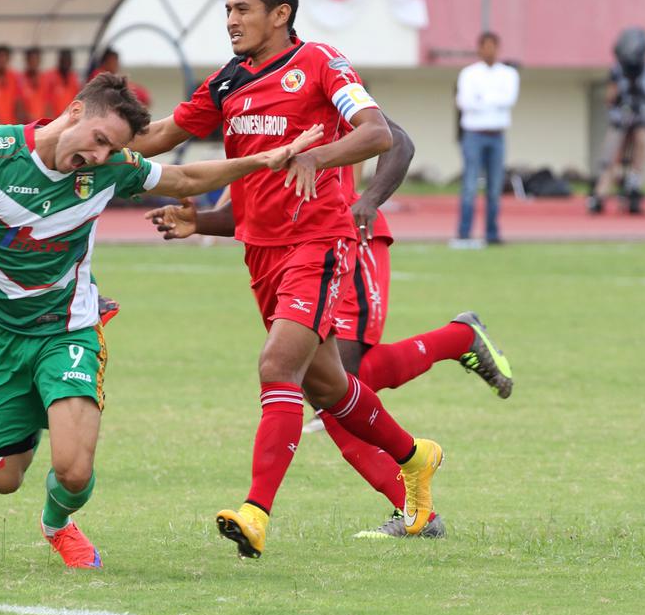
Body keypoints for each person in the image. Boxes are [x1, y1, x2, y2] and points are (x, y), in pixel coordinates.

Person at [0, 72, 319, 569]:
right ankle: (30, 411)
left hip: (68, 327)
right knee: (3, 479)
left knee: (73, 472)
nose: (98, 156)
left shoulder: (112, 167)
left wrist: (261, 161)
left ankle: (57, 524)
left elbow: (184, 180)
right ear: (74, 111)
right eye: (98, 140)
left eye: (110, 148)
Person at [127, 0, 451, 556]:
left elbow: (378, 134)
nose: (231, 20)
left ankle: (256, 512)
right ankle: (414, 457)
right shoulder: (226, 85)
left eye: (243, 9)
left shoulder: (323, 62)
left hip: (321, 245)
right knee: (328, 386)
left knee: (279, 366)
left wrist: (319, 157)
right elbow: (160, 135)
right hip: (262, 256)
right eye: (227, 9)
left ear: (280, 14)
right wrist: (75, 140)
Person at [144, 115, 513, 540]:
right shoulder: (251, 113)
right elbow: (250, 211)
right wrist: (199, 222)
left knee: (334, 381)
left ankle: (457, 343)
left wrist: (368, 201)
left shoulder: (320, 85)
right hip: (299, 255)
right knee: (327, 386)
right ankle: (416, 501)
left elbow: (400, 140)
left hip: (348, 242)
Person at [454, 32, 519, 245]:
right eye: (485, 46)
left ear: (498, 48)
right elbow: (465, 102)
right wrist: (492, 100)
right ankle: (464, 233)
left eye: (493, 46)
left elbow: (508, 99)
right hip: (474, 134)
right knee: (470, 186)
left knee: (494, 188)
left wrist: (482, 98)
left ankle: (492, 234)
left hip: (497, 135)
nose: (489, 50)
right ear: (479, 49)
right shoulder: (469, 74)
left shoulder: (509, 74)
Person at [588, 28, 645, 215]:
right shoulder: (617, 71)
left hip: (641, 118)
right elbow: (609, 97)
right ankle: (600, 194)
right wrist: (621, 93)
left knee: (643, 144)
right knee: (612, 154)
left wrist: (644, 93)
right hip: (620, 119)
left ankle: (633, 186)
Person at [42, 48, 82, 120]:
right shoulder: (50, 76)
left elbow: (78, 100)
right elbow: (46, 103)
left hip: (69, 120)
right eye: (64, 61)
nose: (66, 64)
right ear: (59, 61)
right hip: (54, 121)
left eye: (68, 61)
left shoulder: (73, 78)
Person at [21, 46, 47, 122]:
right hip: (25, 126)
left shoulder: (45, 80)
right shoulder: (20, 80)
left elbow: (49, 104)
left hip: (43, 126)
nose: (33, 62)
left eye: (35, 59)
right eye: (31, 59)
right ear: (26, 60)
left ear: (39, 60)